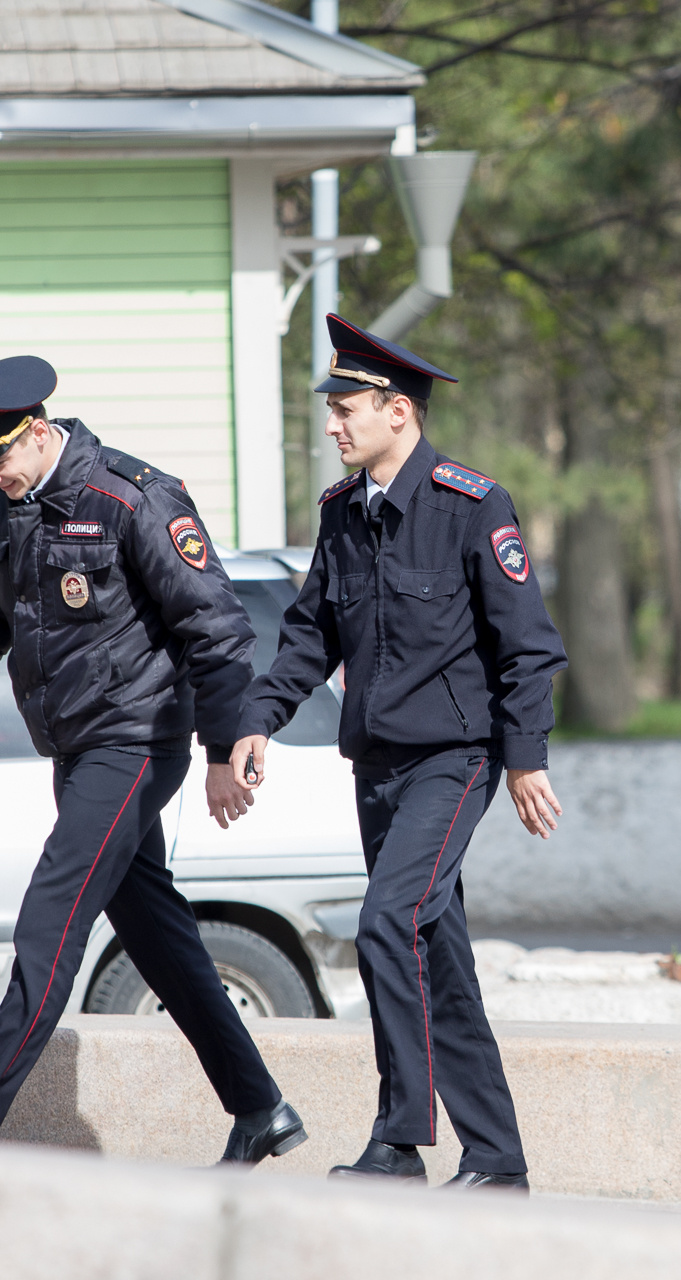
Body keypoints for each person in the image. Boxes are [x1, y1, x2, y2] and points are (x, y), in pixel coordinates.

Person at [0, 355, 306, 1163]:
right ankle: (261, 1109)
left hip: (138, 740)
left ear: (38, 435)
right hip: (76, 744)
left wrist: (219, 750)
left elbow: (217, 629)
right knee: (159, 939)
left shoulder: (131, 496)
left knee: (53, 912)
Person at [230, 315, 567, 1190]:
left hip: (456, 762)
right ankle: (496, 1158)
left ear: (398, 413)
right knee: (435, 954)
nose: (332, 425)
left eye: (345, 409)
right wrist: (257, 718)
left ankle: (399, 1138)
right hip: (375, 767)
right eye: (330, 408)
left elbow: (528, 645)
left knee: (387, 922)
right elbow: (309, 637)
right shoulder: (344, 515)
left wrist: (525, 757)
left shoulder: (471, 504)